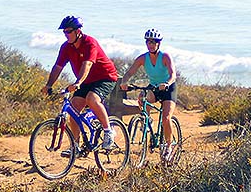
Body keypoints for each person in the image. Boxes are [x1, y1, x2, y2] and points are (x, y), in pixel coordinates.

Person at [44, 15, 119, 151]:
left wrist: (78, 82)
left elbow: (87, 64)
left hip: (105, 77)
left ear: (77, 31)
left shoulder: (90, 43)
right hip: (86, 80)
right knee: (74, 109)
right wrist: (49, 85)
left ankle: (108, 131)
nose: (66, 35)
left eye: (68, 31)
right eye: (64, 32)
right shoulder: (66, 47)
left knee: (92, 99)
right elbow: (57, 67)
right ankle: (75, 146)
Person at [118, 28, 179, 161]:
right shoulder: (142, 58)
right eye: (148, 42)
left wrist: (167, 83)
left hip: (168, 88)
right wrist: (124, 81)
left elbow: (173, 74)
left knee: (166, 118)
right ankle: (147, 120)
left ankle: (168, 146)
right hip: (155, 87)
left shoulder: (165, 57)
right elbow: (130, 72)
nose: (151, 44)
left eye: (154, 42)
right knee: (142, 97)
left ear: (159, 43)